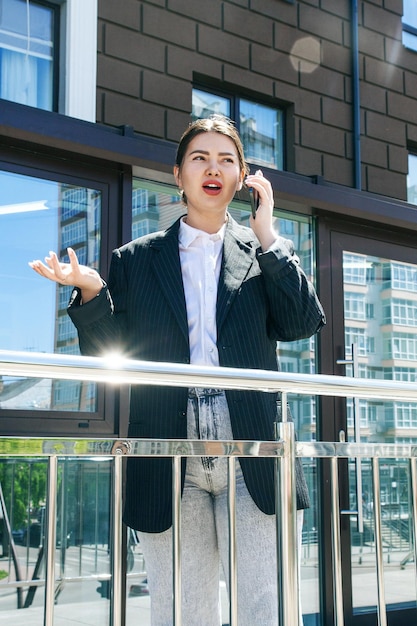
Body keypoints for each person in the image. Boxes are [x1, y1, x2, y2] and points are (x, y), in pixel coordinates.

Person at [29, 115, 325, 625]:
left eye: (226, 160)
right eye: (200, 158)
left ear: (241, 178)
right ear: (178, 175)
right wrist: (93, 292)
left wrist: (269, 235)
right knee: (181, 611)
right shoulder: (137, 260)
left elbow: (302, 323)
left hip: (250, 446)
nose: (213, 169)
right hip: (169, 442)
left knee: (266, 609)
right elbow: (109, 352)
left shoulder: (265, 252)